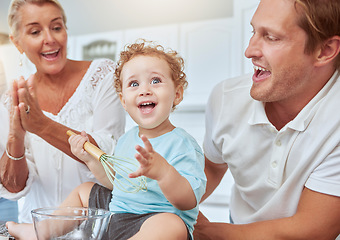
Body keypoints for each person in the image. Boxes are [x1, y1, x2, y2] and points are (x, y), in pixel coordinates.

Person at [7, 40, 207, 240]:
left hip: (153, 224)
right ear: (123, 101)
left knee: (172, 225)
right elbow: (115, 183)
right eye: (134, 84)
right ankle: (39, 231)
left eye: (155, 81)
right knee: (84, 190)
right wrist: (90, 159)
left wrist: (164, 173)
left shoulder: (183, 144)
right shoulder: (127, 139)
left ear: (178, 94)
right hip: (115, 216)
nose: (144, 90)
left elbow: (189, 200)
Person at [193, 0, 340, 239]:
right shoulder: (225, 99)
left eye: (271, 37)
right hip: (237, 225)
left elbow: (313, 228)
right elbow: (212, 165)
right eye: (254, 32)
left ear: (324, 51)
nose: (249, 50)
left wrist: (207, 231)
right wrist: (171, 204)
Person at [0, 0, 125, 223]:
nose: (50, 39)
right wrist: (16, 137)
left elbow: (109, 159)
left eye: (56, 27)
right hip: (35, 229)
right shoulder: (13, 98)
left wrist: (41, 126)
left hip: (95, 229)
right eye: (35, 31)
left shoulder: (103, 75)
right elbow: (13, 186)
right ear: (17, 43)